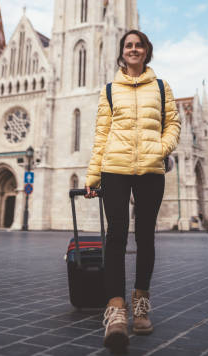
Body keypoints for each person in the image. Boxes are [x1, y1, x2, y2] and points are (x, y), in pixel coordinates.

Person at [85, 30, 180, 353]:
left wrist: (159, 148)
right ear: (122, 53)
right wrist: (92, 174)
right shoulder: (110, 90)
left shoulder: (162, 88)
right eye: (129, 45)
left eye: (139, 45)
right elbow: (102, 134)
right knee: (115, 236)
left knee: (145, 237)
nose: (134, 49)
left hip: (151, 170)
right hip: (114, 169)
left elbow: (173, 125)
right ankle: (115, 313)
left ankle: (141, 305)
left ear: (146, 51)